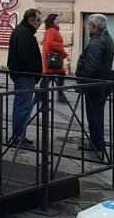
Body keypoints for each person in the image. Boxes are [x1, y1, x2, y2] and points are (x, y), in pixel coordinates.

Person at [76, 13, 114, 155]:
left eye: (89, 25)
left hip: (95, 84)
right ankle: (97, 141)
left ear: (96, 27)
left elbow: (91, 66)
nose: (87, 28)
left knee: (93, 114)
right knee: (97, 113)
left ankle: (96, 143)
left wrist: (82, 81)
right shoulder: (107, 38)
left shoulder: (96, 42)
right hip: (103, 82)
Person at [6, 8, 42, 147]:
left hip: (22, 74)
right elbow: (25, 57)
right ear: (30, 20)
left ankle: (18, 136)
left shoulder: (21, 31)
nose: (40, 23)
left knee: (19, 105)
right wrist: (35, 72)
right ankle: (18, 137)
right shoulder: (25, 33)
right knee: (23, 107)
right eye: (38, 20)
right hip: (25, 75)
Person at [41, 13, 69, 104]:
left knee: (49, 76)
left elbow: (56, 46)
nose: (59, 21)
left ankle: (42, 96)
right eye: (57, 19)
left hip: (53, 57)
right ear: (52, 21)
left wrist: (65, 55)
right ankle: (58, 96)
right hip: (52, 58)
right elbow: (50, 43)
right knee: (55, 75)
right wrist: (62, 45)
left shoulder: (53, 30)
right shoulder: (52, 31)